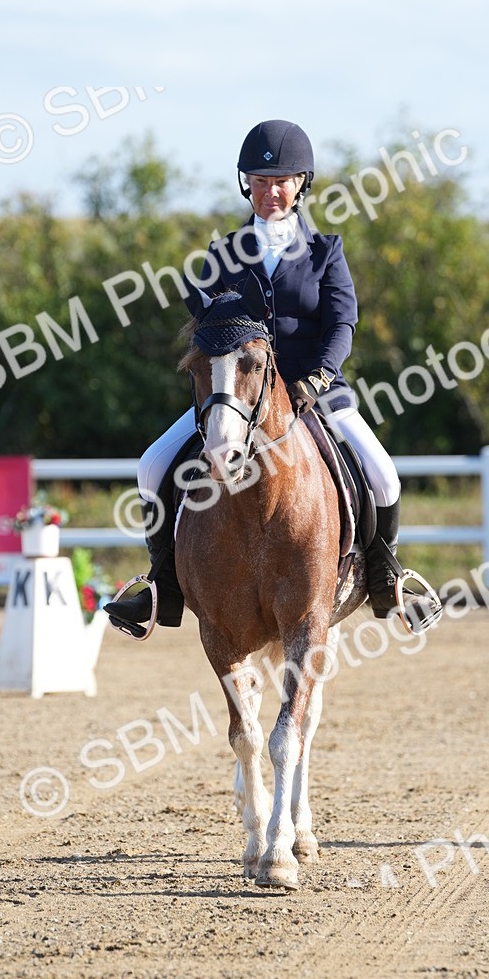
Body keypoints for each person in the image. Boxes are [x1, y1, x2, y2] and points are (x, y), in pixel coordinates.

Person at [106, 119, 407, 636]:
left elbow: (342, 325)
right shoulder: (222, 255)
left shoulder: (326, 251)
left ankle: (386, 578)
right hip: (237, 397)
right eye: (261, 181)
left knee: (383, 474)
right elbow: (205, 332)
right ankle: (162, 586)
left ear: (301, 183)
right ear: (247, 183)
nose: (271, 192)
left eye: (282, 181)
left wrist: (318, 377)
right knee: (151, 466)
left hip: (316, 392)